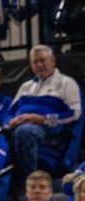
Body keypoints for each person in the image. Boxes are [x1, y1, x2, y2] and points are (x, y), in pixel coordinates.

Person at [9, 45, 82, 191]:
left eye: (43, 60)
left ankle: (29, 185)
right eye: (35, 62)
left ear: (53, 61)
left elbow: (74, 114)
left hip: (50, 131)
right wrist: (12, 121)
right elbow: (10, 111)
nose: (39, 65)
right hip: (21, 126)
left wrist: (44, 119)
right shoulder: (26, 86)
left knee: (25, 132)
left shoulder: (66, 83)